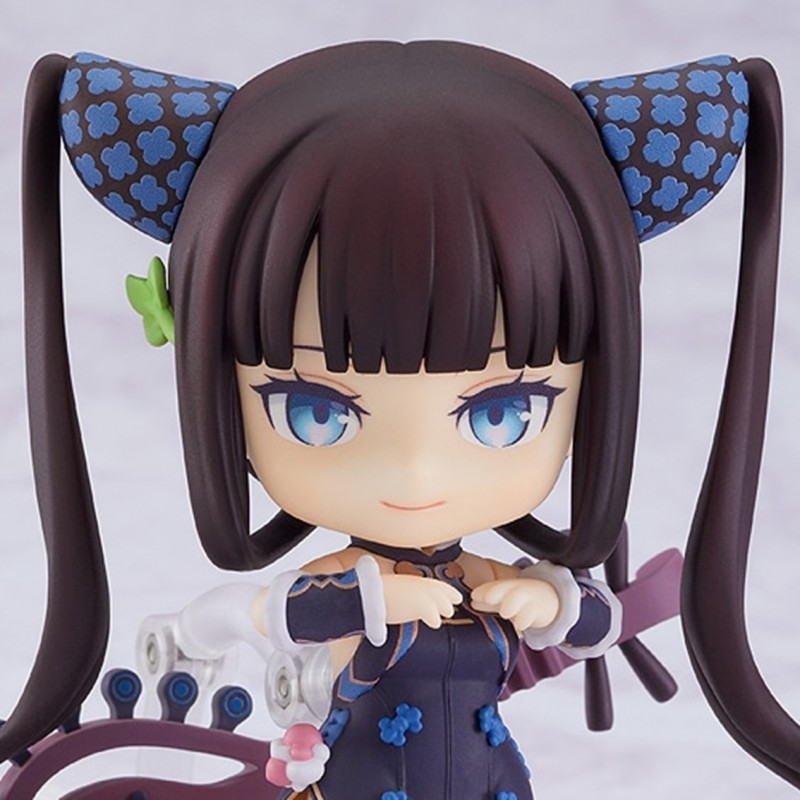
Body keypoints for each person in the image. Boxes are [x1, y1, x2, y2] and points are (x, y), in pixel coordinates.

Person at [3, 40, 797, 797]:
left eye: (503, 413)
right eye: (315, 413)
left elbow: (597, 624)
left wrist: (553, 602)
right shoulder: (339, 584)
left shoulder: (482, 580)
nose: (416, 472)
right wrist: (363, 603)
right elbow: (252, 618)